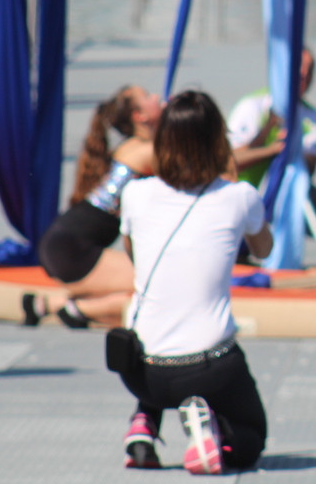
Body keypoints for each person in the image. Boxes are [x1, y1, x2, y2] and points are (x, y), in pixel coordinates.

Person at [117, 90, 272, 473]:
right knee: (252, 434)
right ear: (218, 141)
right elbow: (265, 249)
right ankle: (211, 429)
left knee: (162, 313)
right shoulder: (240, 197)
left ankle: (143, 426)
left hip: (141, 371)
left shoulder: (135, 194)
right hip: (210, 368)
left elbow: (134, 255)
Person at [24, 85, 163, 328]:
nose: (159, 97)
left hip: (63, 240)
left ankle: (47, 304)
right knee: (156, 287)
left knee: (149, 285)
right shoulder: (144, 152)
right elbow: (202, 166)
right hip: (71, 248)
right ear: (140, 116)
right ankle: (78, 309)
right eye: (149, 95)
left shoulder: (134, 146)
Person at [227, 47, 316, 246]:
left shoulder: (314, 119)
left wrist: (294, 148)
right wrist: (268, 137)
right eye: (298, 69)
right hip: (243, 196)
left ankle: (281, 248)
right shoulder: (253, 105)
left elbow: (309, 169)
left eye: (309, 71)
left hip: (279, 200)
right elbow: (229, 162)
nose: (304, 76)